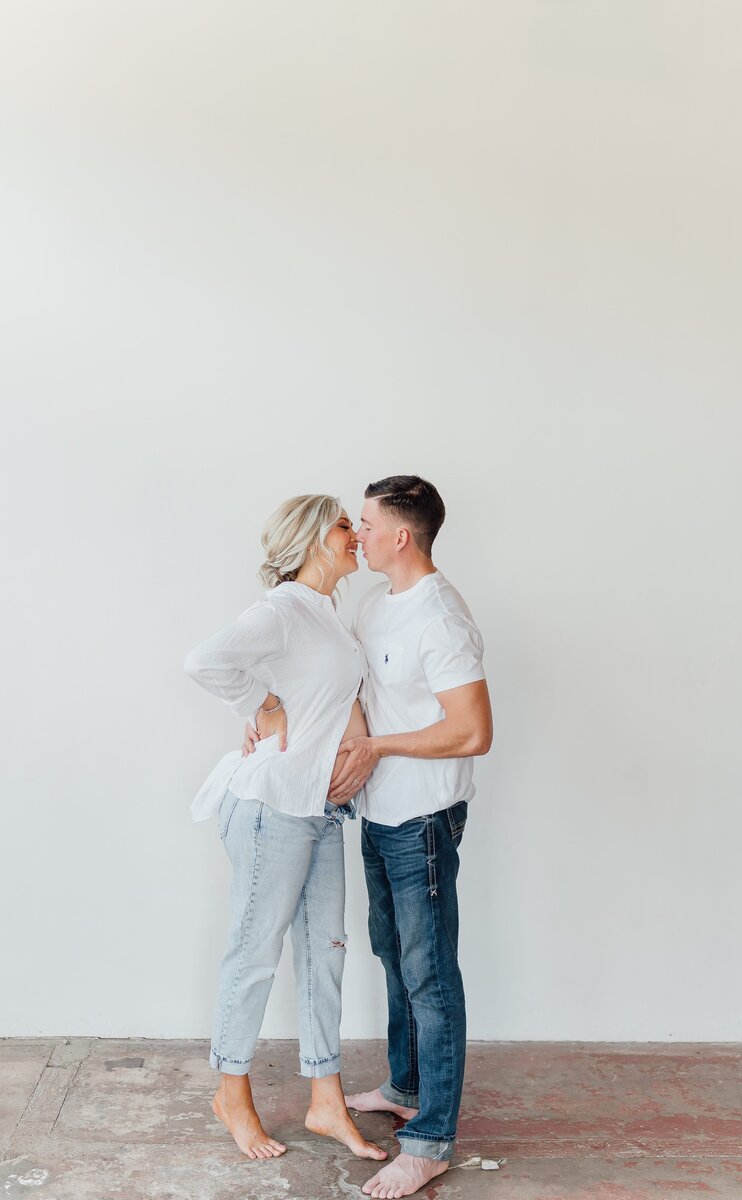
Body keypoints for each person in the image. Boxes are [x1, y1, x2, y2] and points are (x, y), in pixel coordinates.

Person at [247, 476, 492, 1198]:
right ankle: (407, 1087)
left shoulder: (440, 619)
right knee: (394, 954)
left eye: (366, 523)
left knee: (430, 973)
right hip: (379, 816)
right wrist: (272, 711)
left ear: (401, 536)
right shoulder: (375, 604)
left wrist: (379, 750)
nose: (357, 534)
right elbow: (347, 688)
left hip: (422, 819)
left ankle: (430, 1140)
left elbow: (473, 730)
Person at [184, 494, 387, 1165]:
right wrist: (261, 706)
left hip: (319, 808)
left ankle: (326, 1101)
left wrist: (354, 752)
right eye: (342, 527)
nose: (355, 535)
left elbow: (337, 700)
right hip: (272, 807)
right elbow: (205, 661)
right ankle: (231, 1091)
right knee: (255, 949)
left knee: (326, 949)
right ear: (311, 539)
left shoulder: (328, 616)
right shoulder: (282, 610)